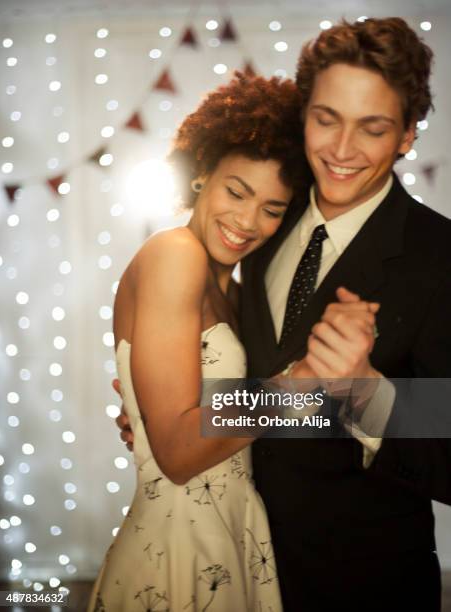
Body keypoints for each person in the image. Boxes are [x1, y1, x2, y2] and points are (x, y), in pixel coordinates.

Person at [118, 17, 451, 612]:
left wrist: (366, 391)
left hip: (362, 588)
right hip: (237, 562)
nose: (341, 151)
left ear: (406, 135)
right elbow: (234, 381)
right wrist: (166, 413)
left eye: (371, 129)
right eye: (326, 120)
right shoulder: (266, 216)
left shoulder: (439, 257)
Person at [88, 73, 377, 612]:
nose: (247, 222)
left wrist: (345, 391)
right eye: (236, 192)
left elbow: (212, 419)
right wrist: (302, 384)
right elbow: (177, 454)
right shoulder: (176, 254)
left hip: (239, 535)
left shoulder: (243, 290)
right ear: (202, 173)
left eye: (272, 209)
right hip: (180, 542)